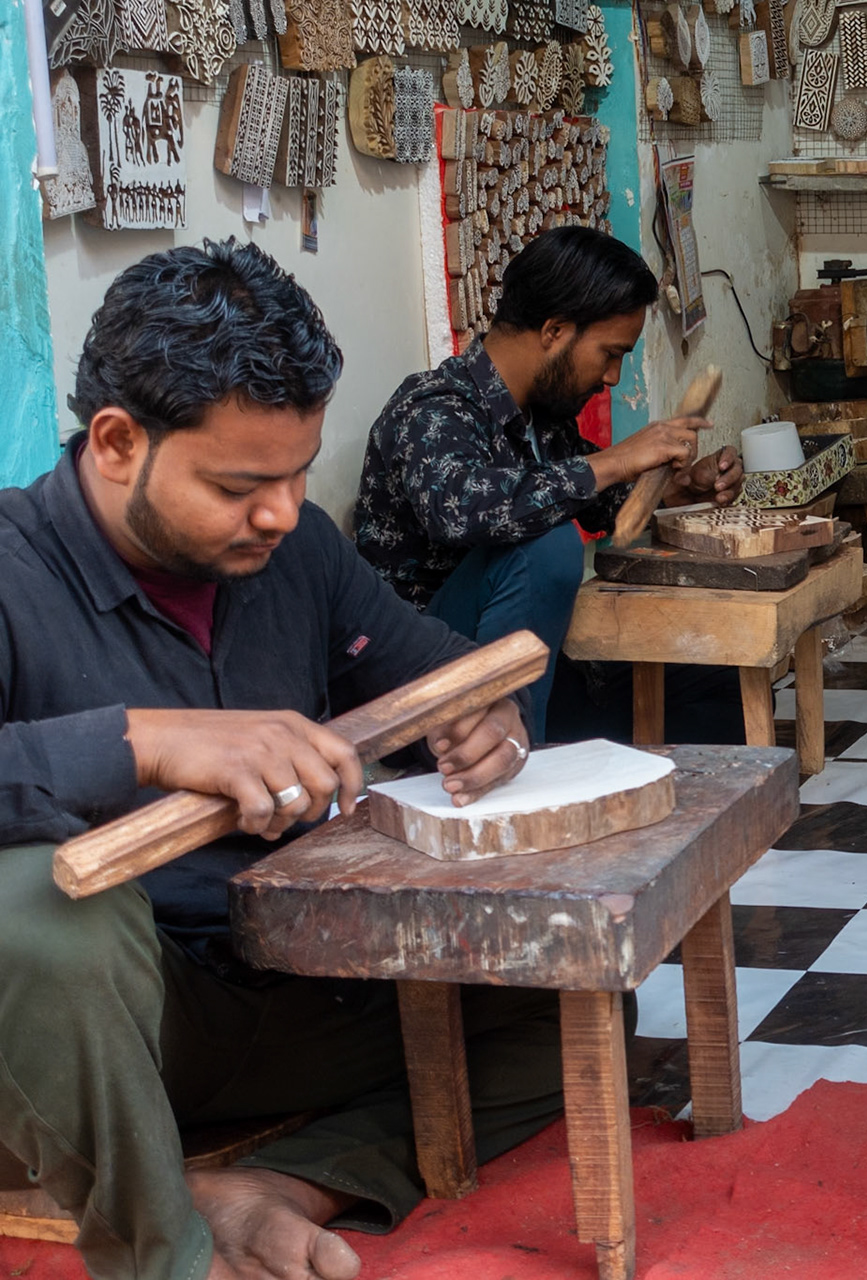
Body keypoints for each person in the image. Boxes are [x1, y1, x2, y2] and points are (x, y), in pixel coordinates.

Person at [0, 240, 567, 1280]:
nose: (280, 508)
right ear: (119, 441)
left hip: (276, 982)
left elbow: (447, 671)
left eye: (300, 470)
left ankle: (274, 1185)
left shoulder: (293, 545)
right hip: (84, 1037)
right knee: (34, 913)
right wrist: (146, 739)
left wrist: (491, 717)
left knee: (571, 999)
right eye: (237, 483)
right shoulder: (9, 565)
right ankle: (166, 1251)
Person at [352, 226, 744, 743]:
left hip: (527, 667)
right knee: (546, 543)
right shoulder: (432, 408)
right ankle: (508, 760)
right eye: (609, 353)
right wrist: (617, 458)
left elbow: (601, 506)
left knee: (714, 686)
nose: (612, 377)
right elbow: (461, 513)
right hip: (423, 688)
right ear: (555, 330)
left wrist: (677, 490)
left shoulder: (542, 417)